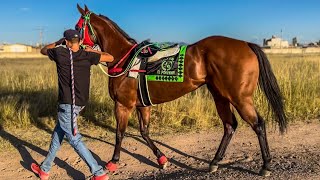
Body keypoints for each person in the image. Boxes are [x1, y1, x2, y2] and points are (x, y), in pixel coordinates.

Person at [31, 29, 114, 180]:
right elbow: (110, 57)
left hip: (67, 105)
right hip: (80, 104)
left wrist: (58, 42)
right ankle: (44, 169)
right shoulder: (87, 55)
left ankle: (98, 172)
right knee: (57, 135)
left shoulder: (60, 53)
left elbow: (44, 50)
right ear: (80, 42)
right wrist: (90, 50)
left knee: (75, 139)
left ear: (66, 42)